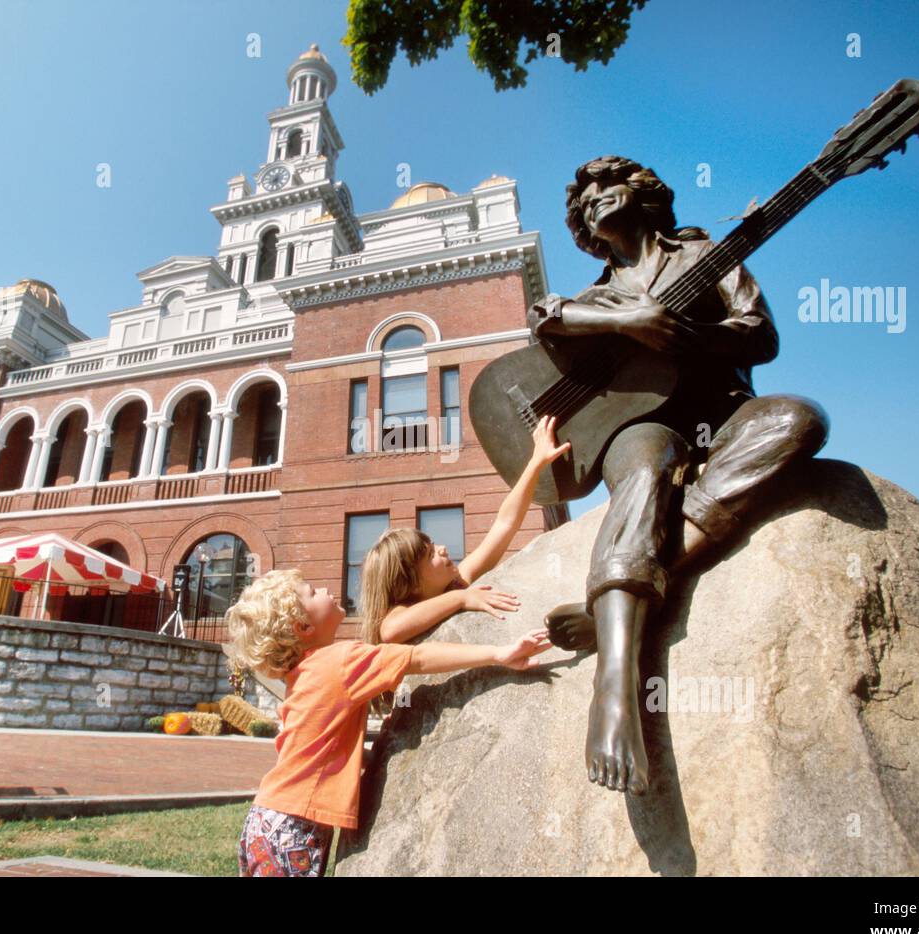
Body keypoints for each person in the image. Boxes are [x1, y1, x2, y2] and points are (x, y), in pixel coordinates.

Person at [528, 155, 830, 795]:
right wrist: (623, 320)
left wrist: (684, 334)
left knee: (799, 421)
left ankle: (621, 603)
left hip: (724, 418)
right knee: (641, 471)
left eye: (603, 190)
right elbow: (545, 316)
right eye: (582, 205)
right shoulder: (596, 295)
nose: (593, 203)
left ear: (640, 194)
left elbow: (760, 334)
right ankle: (615, 685)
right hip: (643, 429)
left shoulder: (705, 254)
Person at [226, 568, 552, 876]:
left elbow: (310, 749)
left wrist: (369, 758)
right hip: (292, 827)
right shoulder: (342, 659)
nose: (325, 589)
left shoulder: (301, 677)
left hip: (266, 820)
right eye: (313, 592)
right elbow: (416, 658)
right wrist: (499, 654)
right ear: (303, 627)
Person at [358, 415, 571, 649]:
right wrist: (462, 598)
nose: (443, 548)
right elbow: (389, 630)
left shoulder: (456, 581)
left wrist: (536, 463)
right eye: (430, 555)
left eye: (434, 545)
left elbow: (504, 524)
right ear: (413, 584)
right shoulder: (405, 612)